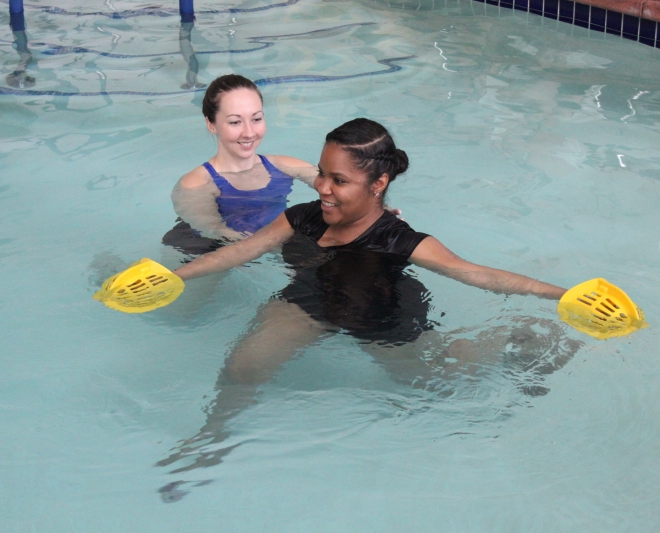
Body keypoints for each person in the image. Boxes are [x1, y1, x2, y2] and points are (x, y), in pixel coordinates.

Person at [155, 118, 574, 500]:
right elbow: (239, 252)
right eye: (322, 173)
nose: (322, 187)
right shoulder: (302, 217)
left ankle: (514, 334)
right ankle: (212, 439)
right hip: (312, 301)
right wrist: (174, 278)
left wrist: (565, 295)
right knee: (243, 366)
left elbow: (476, 274)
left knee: (438, 383)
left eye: (339, 180)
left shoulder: (398, 238)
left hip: (381, 316)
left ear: (378, 184)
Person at [162, 73, 319, 254]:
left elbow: (335, 187)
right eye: (235, 122)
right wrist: (277, 244)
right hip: (219, 252)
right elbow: (214, 231)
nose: (249, 133)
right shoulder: (196, 184)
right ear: (211, 125)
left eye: (256, 119)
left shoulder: (286, 167)